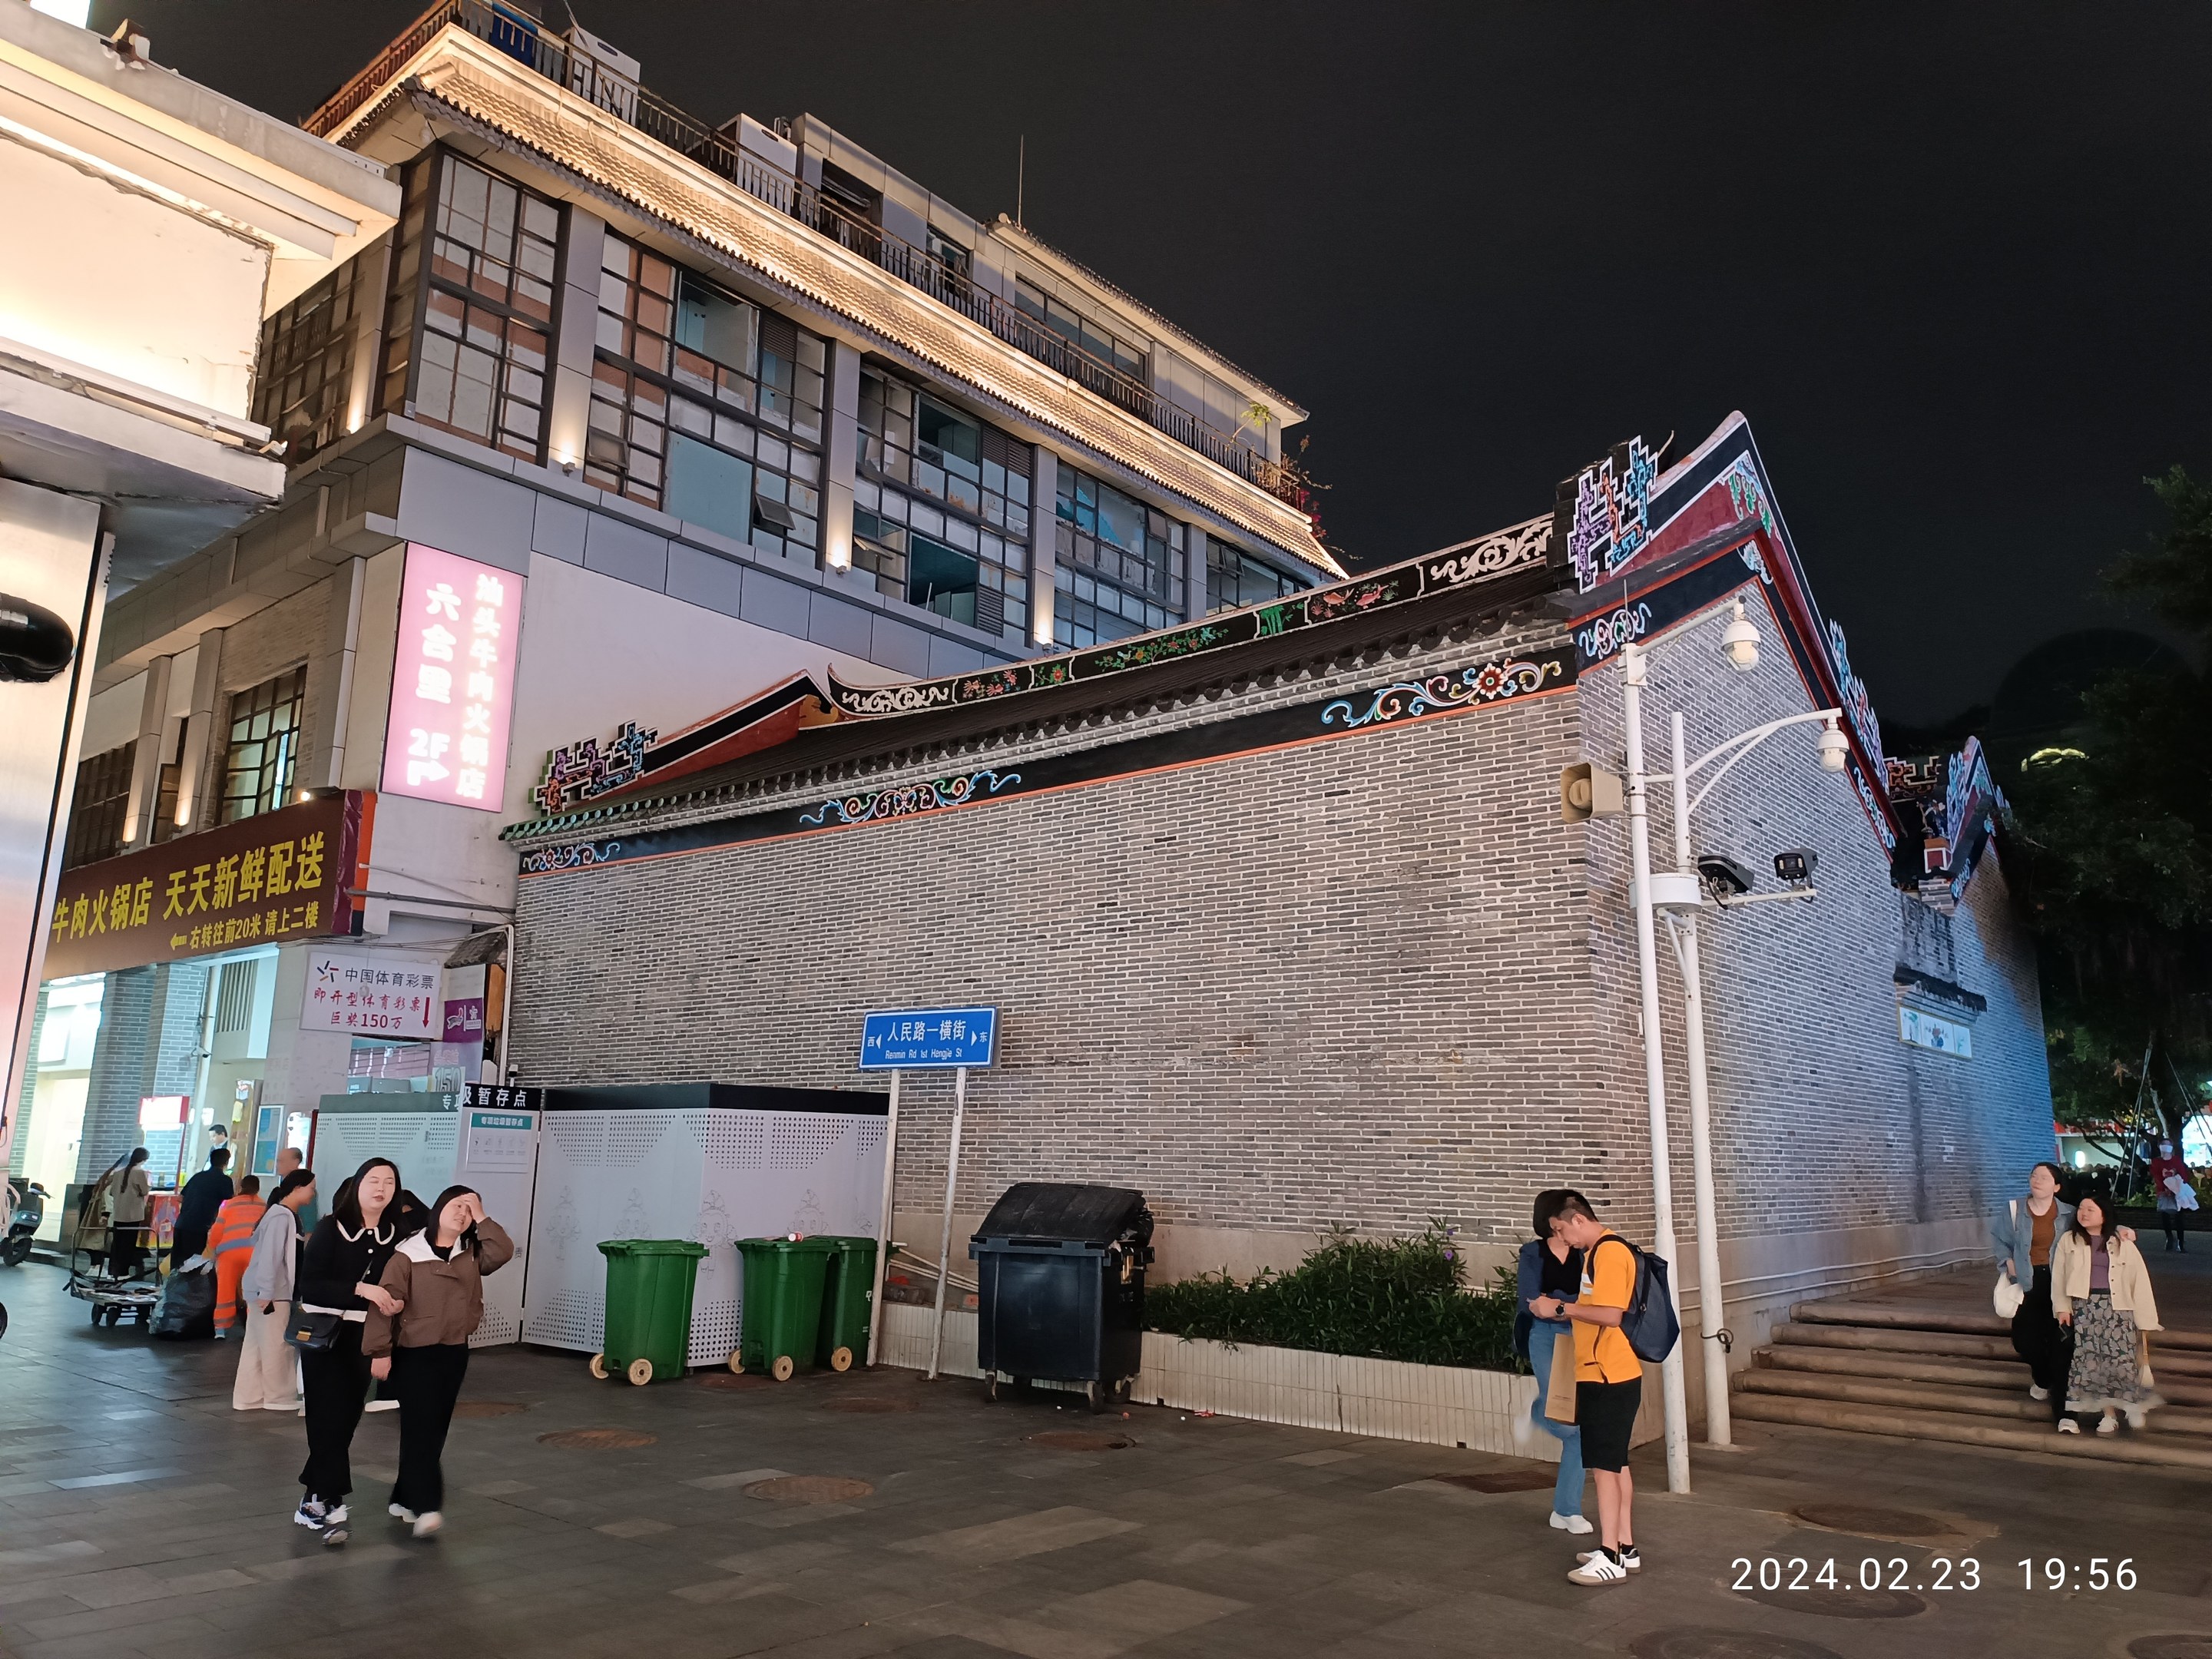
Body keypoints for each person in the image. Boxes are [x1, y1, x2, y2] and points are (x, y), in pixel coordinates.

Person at [363, 1186, 513, 1538]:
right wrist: (380, 1351)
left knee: (434, 1427)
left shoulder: (470, 1253)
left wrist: (482, 1217)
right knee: (422, 1428)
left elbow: (503, 1251)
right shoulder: (407, 1254)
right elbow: (383, 1303)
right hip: (414, 1353)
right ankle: (428, 1505)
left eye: (468, 1210)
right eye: (456, 1206)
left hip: (454, 1350)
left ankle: (404, 1497)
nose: (462, 1214)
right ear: (438, 1209)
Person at [1531, 1194, 1643, 1585]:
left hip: (1607, 1376)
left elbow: (1611, 1315)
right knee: (1616, 1464)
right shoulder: (1601, 1251)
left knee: (1605, 1470)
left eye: (1561, 1230)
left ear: (1577, 1219)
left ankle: (1611, 1556)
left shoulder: (1608, 1252)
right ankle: (1624, 1548)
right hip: (1610, 1374)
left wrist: (1560, 1309)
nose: (1563, 1239)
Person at [294, 1157, 406, 1545]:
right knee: (325, 1416)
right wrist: (362, 1290)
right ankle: (330, 1499)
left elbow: (402, 1282)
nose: (381, 1188)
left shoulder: (398, 1234)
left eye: (389, 1182)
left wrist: (395, 1302)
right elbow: (311, 1286)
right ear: (357, 1185)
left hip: (366, 1336)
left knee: (346, 1418)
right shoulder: (332, 1228)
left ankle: (314, 1497)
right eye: (373, 1180)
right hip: (325, 1335)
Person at [2054, 1194, 2164, 1435]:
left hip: (2119, 1307)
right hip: (2085, 1307)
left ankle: (2132, 1405)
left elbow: (2139, 1280)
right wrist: (2062, 1307)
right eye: (2081, 1208)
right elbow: (2059, 1275)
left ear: (2104, 1215)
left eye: (2090, 1209)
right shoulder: (2069, 1240)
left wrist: (2145, 1317)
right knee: (2094, 1362)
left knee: (2122, 1361)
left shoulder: (2121, 1241)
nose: (2083, 1213)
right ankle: (2108, 1415)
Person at [1515, 1189, 1588, 1535]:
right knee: (1568, 1425)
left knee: (1579, 1433)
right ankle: (1537, 1411)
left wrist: (1557, 1303)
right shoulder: (1533, 1253)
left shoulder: (1584, 1252)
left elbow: (1591, 1299)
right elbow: (1530, 1301)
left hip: (1581, 1336)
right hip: (1544, 1336)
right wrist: (1568, 1305)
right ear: (1549, 1220)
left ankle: (1566, 1510)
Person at [1993, 1161, 2075, 1426]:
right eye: (2034, 1176)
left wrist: (2121, 1231)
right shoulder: (2014, 1209)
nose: (2036, 1180)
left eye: (2044, 1177)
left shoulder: (2069, 1214)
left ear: (2057, 1186)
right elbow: (2000, 1240)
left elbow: (2094, 1230)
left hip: (2059, 1281)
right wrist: (2007, 1262)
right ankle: (2043, 1377)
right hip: (2027, 1280)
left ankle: (2059, 1400)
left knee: (2058, 1338)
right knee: (2024, 1341)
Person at [235, 1169, 316, 1412]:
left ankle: (249, 1397)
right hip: (273, 1292)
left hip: (265, 1290)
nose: (313, 1193)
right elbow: (271, 1257)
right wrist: (267, 1292)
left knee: (255, 1345)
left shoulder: (279, 1214)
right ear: (297, 1188)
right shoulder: (282, 1216)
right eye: (311, 1188)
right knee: (276, 1345)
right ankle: (278, 1396)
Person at [208, 1175, 266, 1338]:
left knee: (225, 1289)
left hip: (229, 1253)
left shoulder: (228, 1204)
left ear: (240, 1187)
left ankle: (220, 1329)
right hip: (253, 1252)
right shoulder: (264, 1205)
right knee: (251, 1290)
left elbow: (217, 1229)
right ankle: (252, 1327)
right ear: (258, 1189)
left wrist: (213, 1249)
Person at [171, 1147, 234, 1263]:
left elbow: (180, 1198)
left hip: (182, 1224)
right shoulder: (224, 1181)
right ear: (226, 1162)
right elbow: (230, 1203)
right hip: (199, 1227)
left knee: (177, 1263)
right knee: (193, 1265)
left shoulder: (198, 1176)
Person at [107, 1147, 153, 1279]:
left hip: (119, 1213)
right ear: (144, 1159)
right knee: (128, 1245)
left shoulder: (118, 1173)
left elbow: (112, 1192)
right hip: (133, 1214)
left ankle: (112, 1272)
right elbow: (145, 1191)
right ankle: (123, 1272)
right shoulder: (140, 1173)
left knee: (117, 1244)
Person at [2149, 1140, 2193, 1253]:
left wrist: (2176, 1188)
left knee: (2179, 1218)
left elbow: (2183, 1175)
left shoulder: (2177, 1160)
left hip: (2178, 1191)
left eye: (2168, 1145)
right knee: (2165, 1216)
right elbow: (2157, 1176)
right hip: (2164, 1192)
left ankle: (2180, 1242)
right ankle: (2169, 1237)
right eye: (2164, 1144)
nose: (2166, 1147)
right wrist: (2164, 1189)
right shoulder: (2156, 1162)